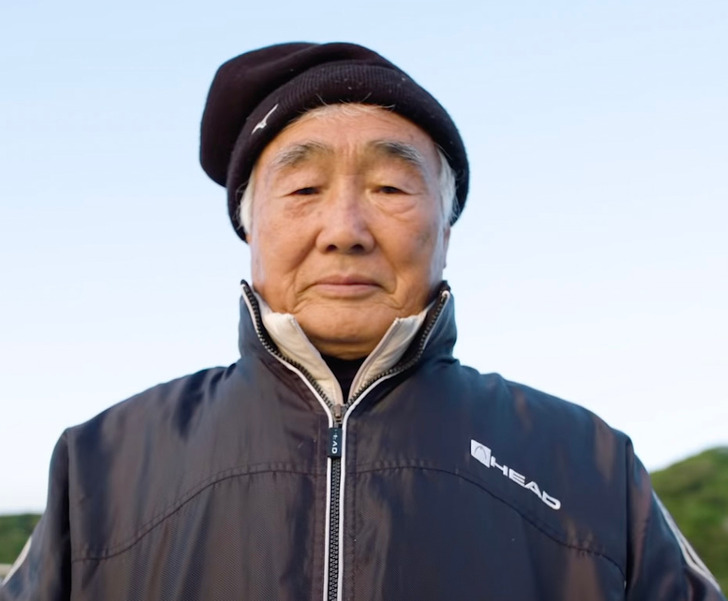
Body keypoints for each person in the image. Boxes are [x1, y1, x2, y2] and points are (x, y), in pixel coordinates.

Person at [1, 42, 724, 601]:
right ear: (251, 230)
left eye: (388, 186)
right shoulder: (103, 463)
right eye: (305, 187)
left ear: (446, 225)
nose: (344, 228)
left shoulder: (589, 461)